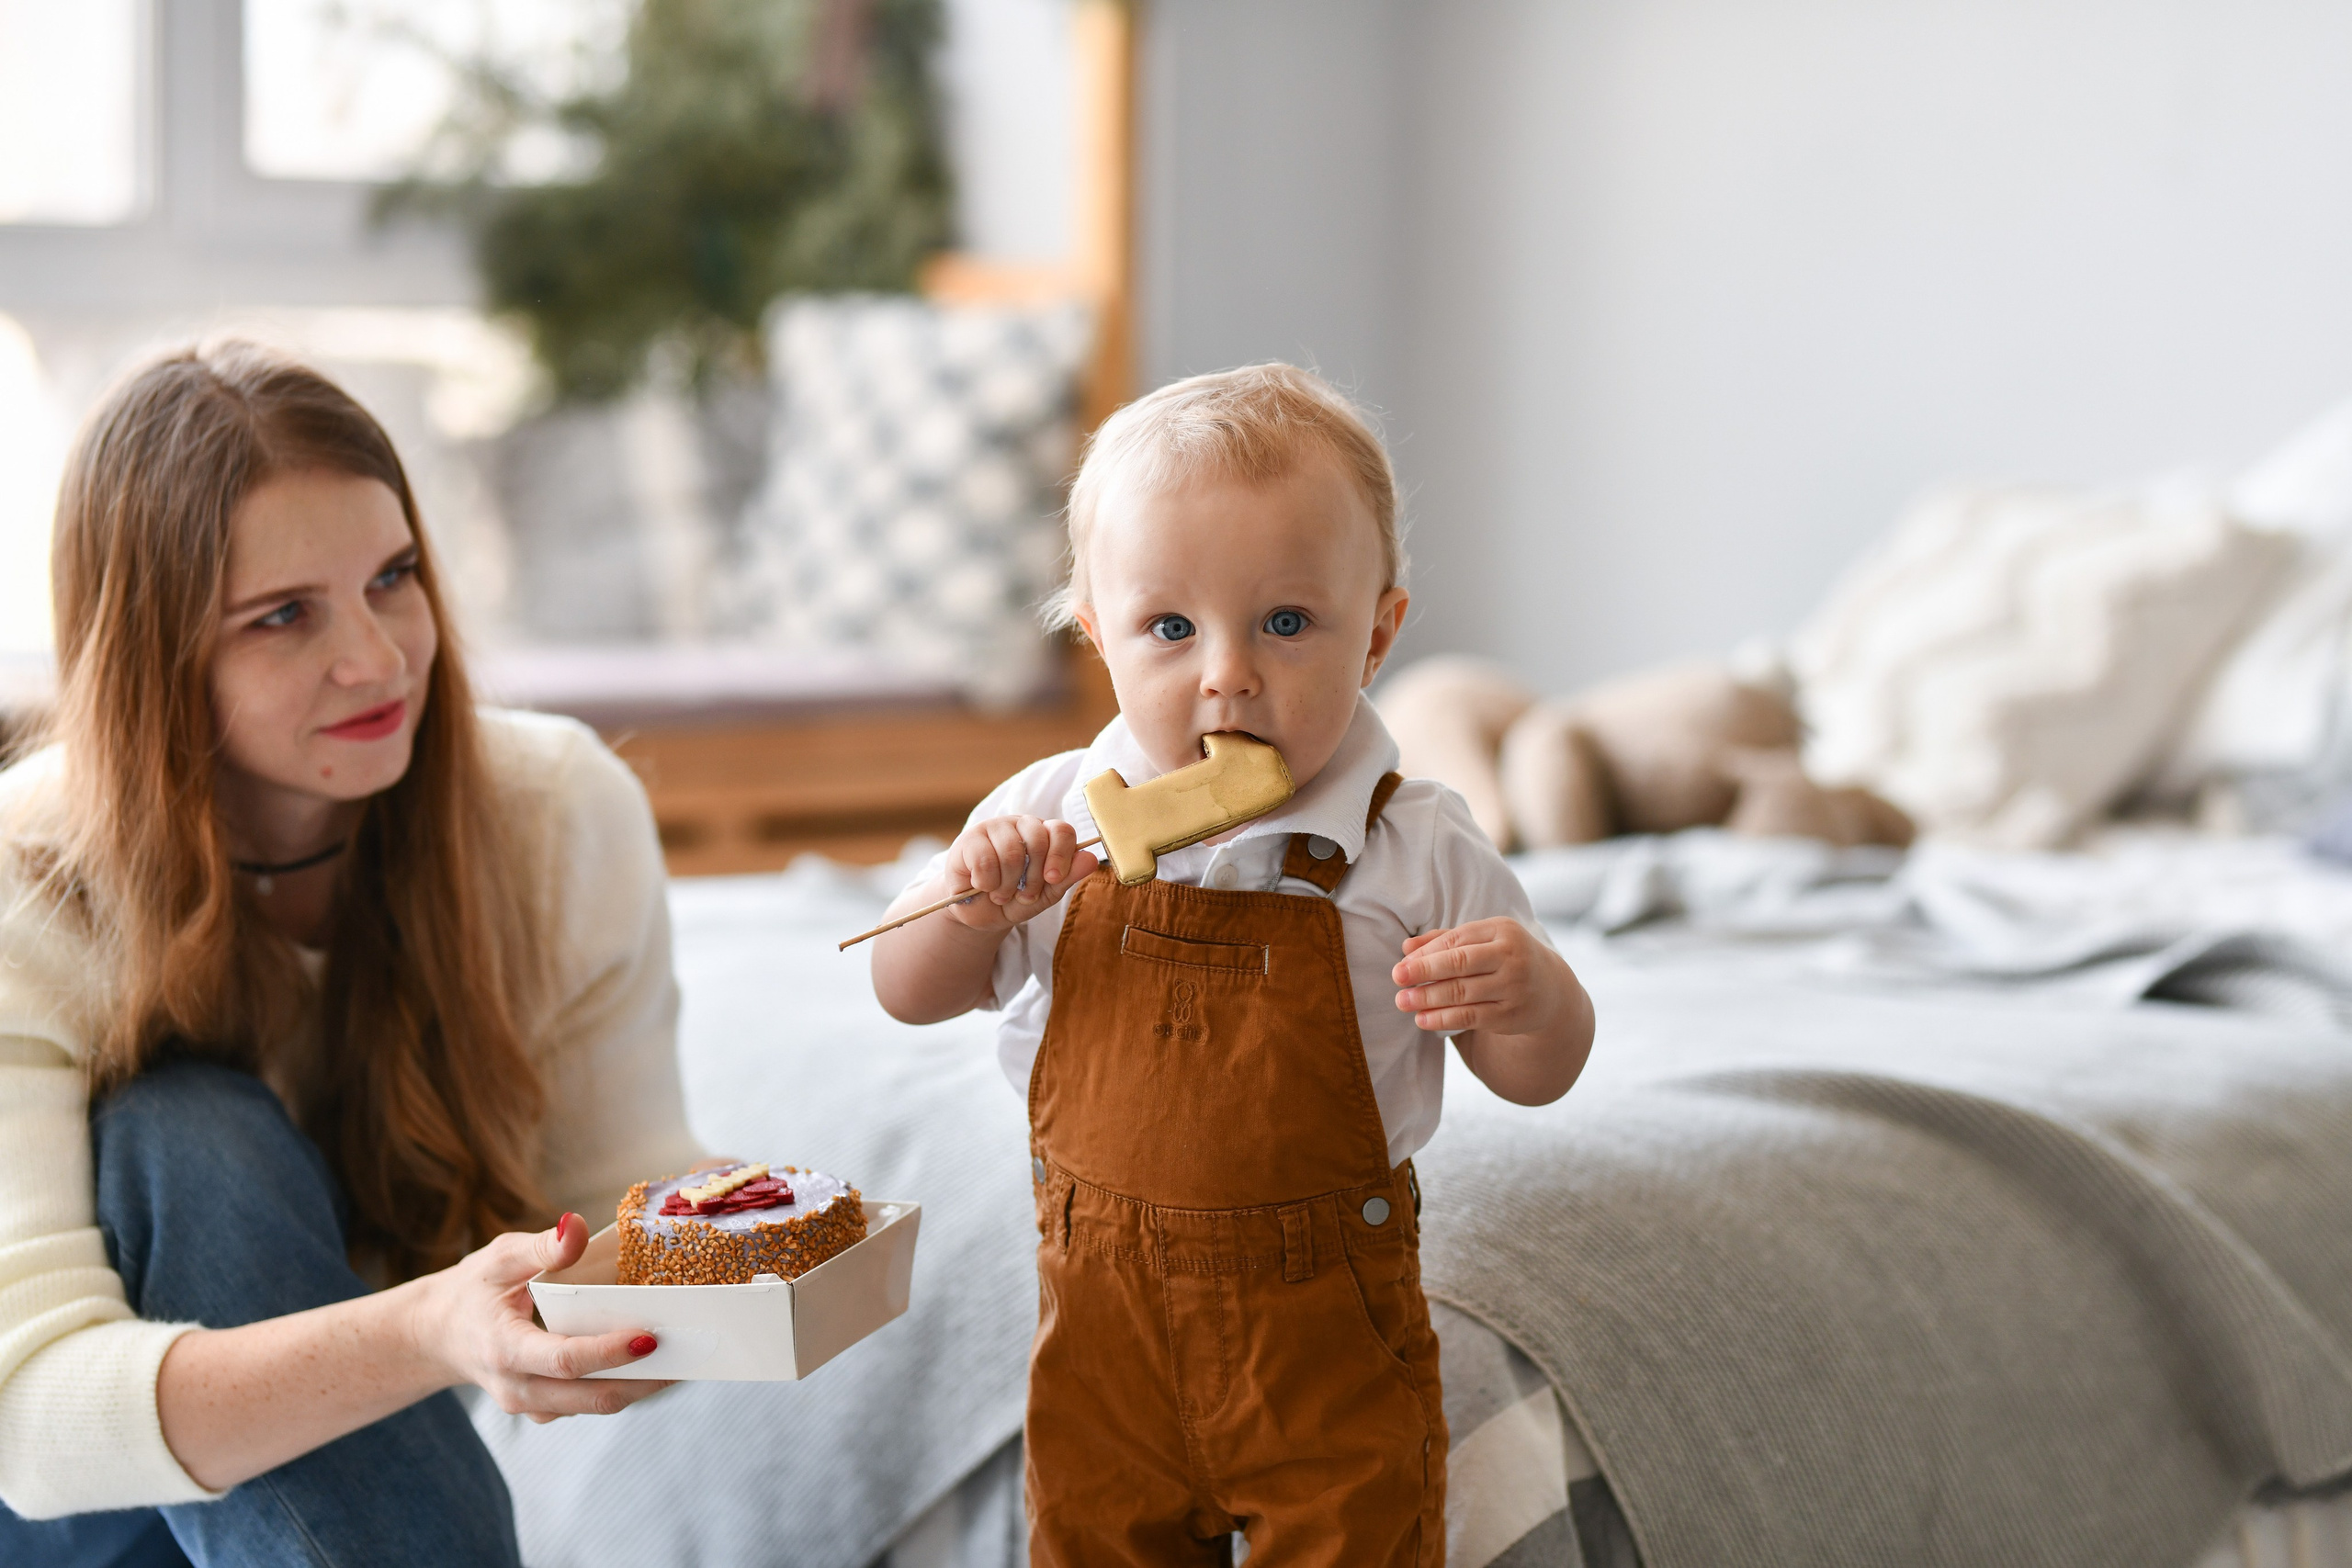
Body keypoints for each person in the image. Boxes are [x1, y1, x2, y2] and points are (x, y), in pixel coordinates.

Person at [869, 363, 1597, 1565]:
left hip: (1326, 1353)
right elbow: (907, 992)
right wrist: (967, 902)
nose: (1227, 674)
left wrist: (1531, 992)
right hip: (1102, 1358)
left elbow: (1539, 1073)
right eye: (1170, 627)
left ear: (1379, 632)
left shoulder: (1411, 840)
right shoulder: (1056, 816)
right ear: (1096, 635)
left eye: (1287, 622)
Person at [0, 344, 706, 1567]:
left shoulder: (557, 817)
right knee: (188, 1129)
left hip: (294, 1522)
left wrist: (724, 1257)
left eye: (393, 579)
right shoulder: (27, 886)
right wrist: (428, 1330)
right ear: (156, 657)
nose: (376, 660)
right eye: (282, 617)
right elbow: (31, 1421)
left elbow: (611, 1207)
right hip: (57, 1518)